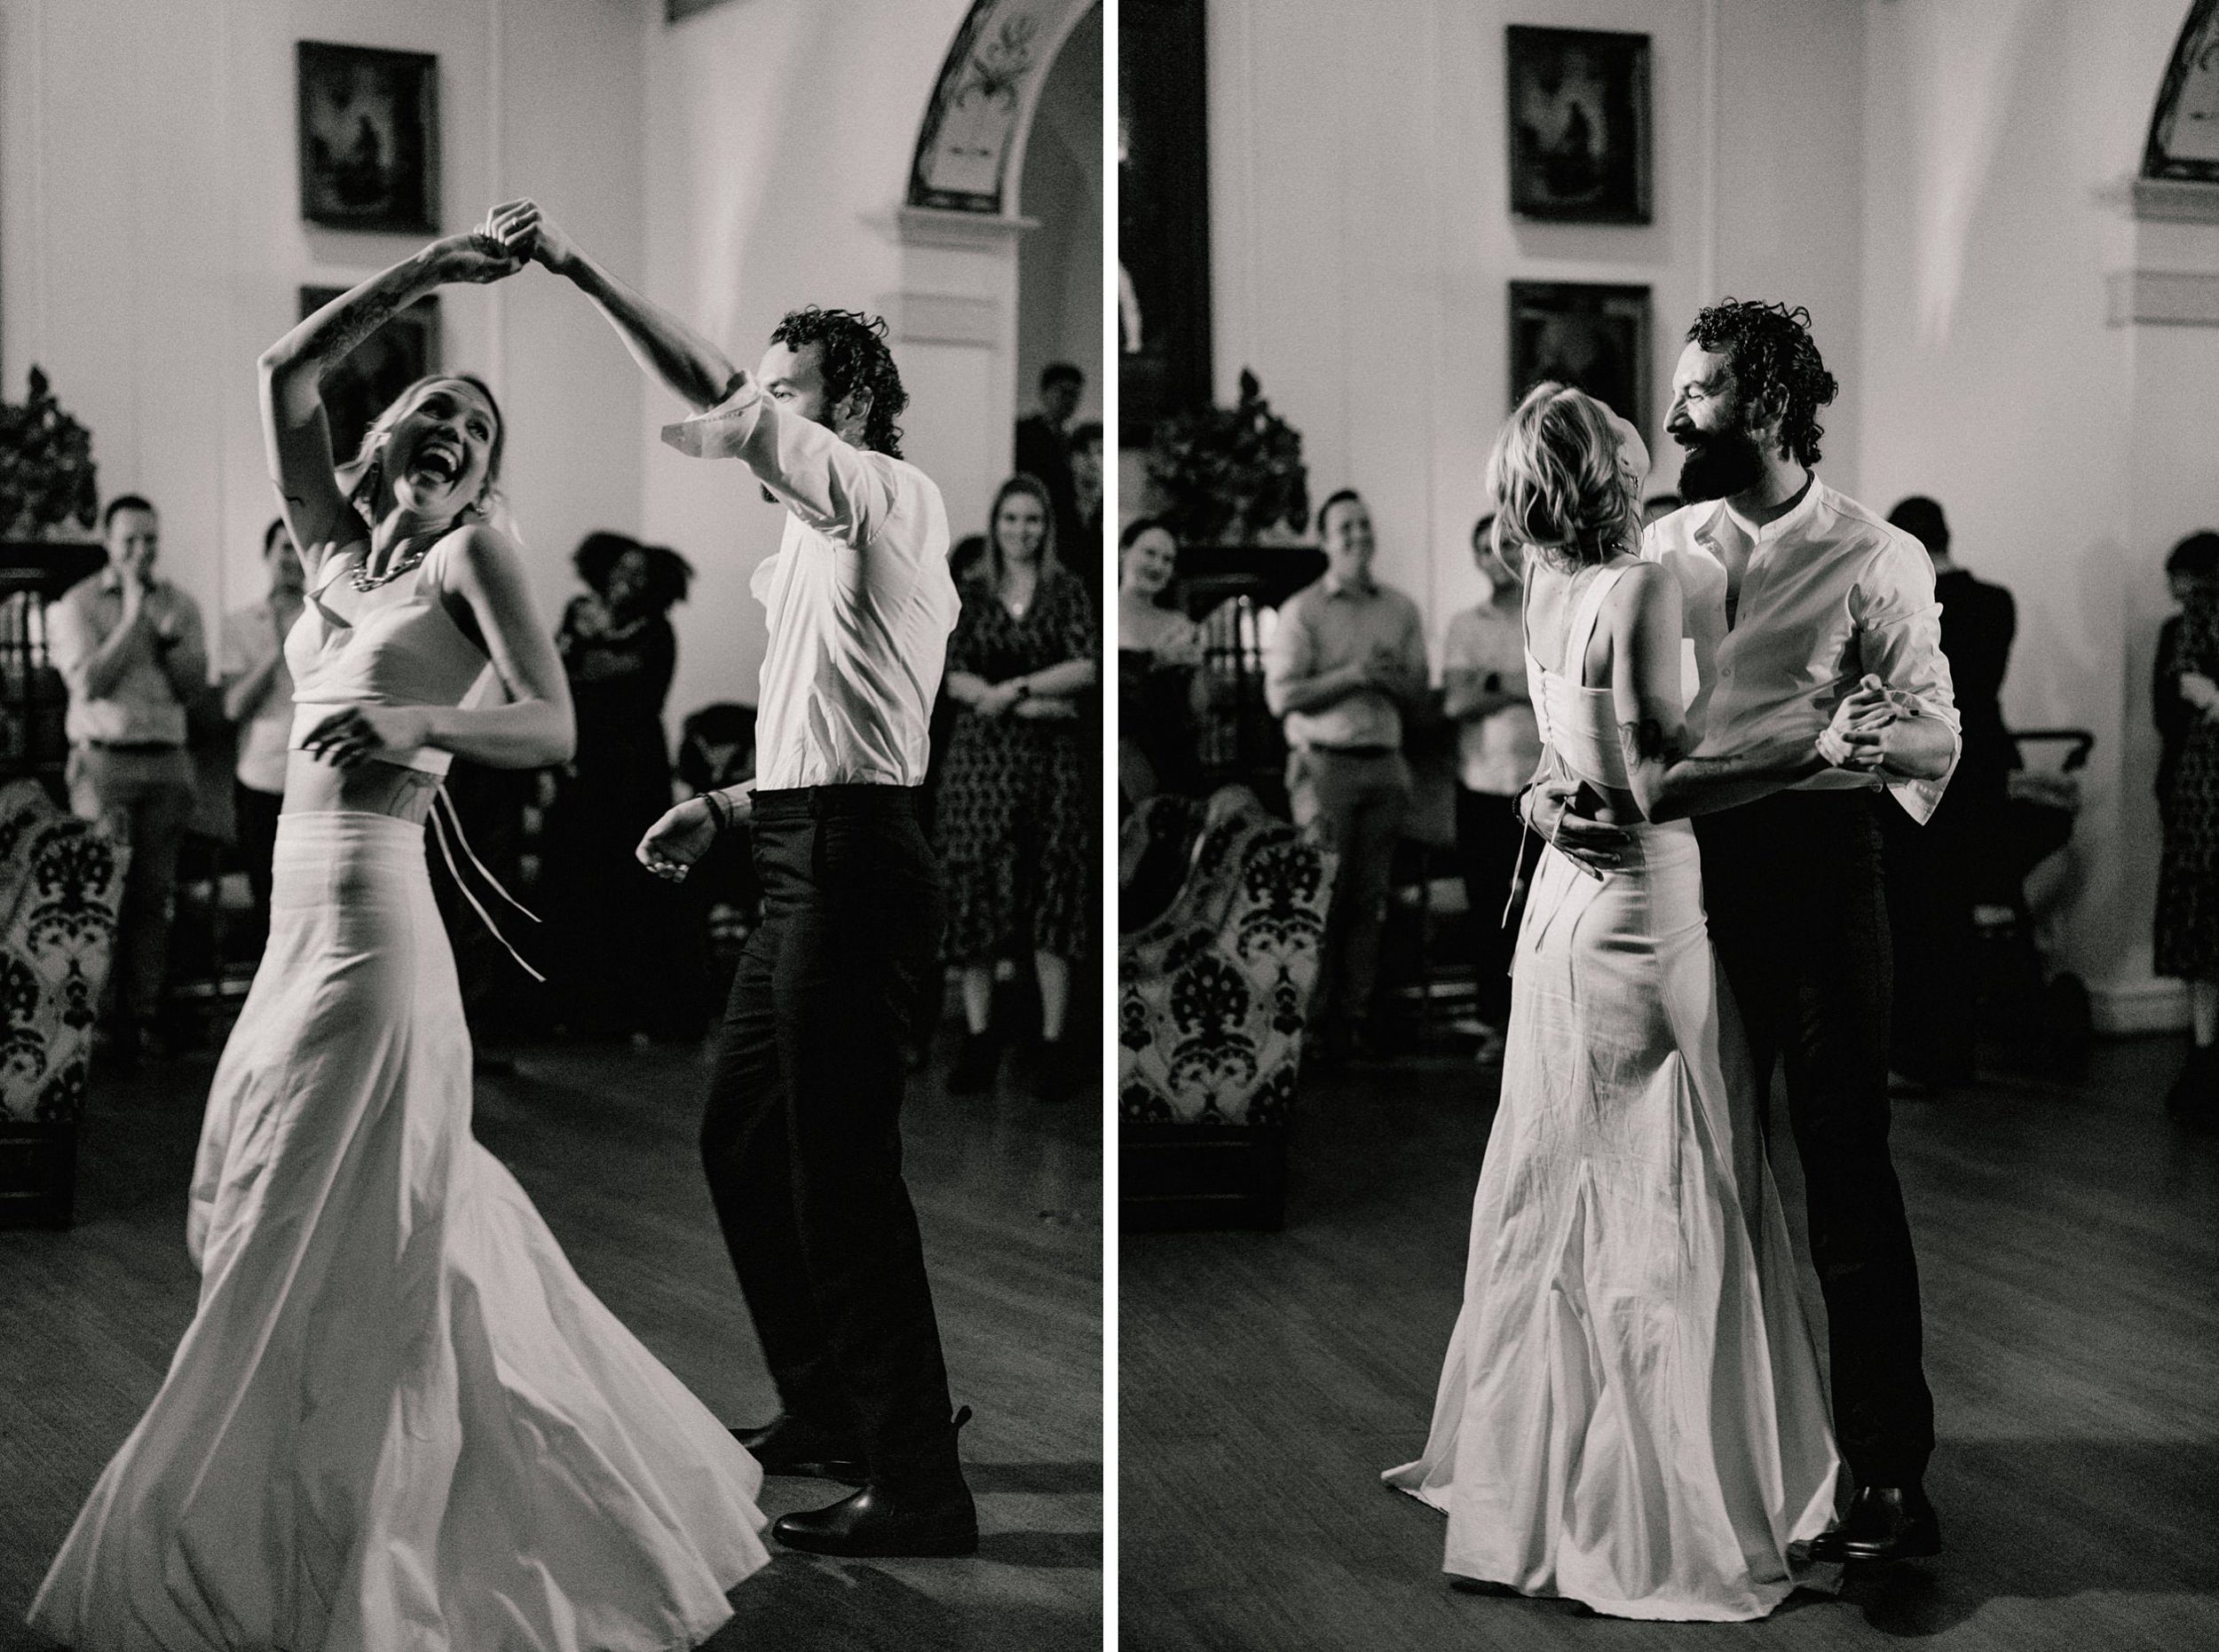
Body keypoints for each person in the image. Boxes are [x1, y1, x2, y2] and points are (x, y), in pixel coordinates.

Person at [31, 232, 770, 1650]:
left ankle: (315, 1532)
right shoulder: (330, 559)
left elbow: (549, 721)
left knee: (323, 1231)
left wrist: (423, 721)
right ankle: (341, 1493)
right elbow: (281, 366)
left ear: (484, 479)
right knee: (301, 1214)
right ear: (383, 438)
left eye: (478, 431)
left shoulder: (471, 555)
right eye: (436, 411)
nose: (453, 432)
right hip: (292, 937)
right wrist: (433, 267)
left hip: (376, 932)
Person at [486, 197, 978, 1557]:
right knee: (743, 1132)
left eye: (789, 389)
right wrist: (723, 800)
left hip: (856, 867)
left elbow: (713, 388)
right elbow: (840, 729)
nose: (763, 409)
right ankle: (831, 1412)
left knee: (844, 1169)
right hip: (798, 846)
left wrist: (583, 266)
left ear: (854, 404)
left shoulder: (891, 497)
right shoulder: (806, 553)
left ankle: (920, 1484)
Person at [1386, 383, 1846, 1621]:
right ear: (1609, 473)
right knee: (1676, 1177)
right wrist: (1809, 742)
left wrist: (1548, 805)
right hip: (1644, 914)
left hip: (1554, 923)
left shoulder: (1542, 593)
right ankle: (1663, 1495)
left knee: (1561, 1177)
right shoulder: (1638, 591)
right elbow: (1653, 785)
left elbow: (1556, 773)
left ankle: (1533, 1474)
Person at [1565, 299, 1959, 1565]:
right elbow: (1611, 725)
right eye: (1679, 392)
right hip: (1684, 872)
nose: (1676, 413)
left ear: (1775, 408)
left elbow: (1939, 736)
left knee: (1845, 1161)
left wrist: (1861, 732)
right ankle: (1713, 1464)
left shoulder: (1878, 555)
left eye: (1702, 391)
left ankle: (1890, 1473)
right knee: (1694, 1173)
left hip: (1822, 874)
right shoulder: (1665, 547)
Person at [936, 472, 1101, 1101]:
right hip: (980, 765)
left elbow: (1085, 664)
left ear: (1046, 526)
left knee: (1050, 893)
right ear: (996, 523)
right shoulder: (971, 592)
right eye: (1011, 519)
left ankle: (1053, 1043)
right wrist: (1017, 697)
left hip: (1049, 766)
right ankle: (980, 1038)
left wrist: (1017, 691)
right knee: (977, 891)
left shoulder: (1068, 590)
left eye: (1033, 519)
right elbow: (951, 673)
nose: (1021, 531)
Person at [1262, 488, 1430, 1061]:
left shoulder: (1402, 610)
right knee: (1320, 903)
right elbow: (1281, 697)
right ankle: (1307, 1030)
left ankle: (1352, 1023)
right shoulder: (1302, 611)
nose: (1358, 534)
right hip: (1323, 769)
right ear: (1324, 540)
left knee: (1369, 903)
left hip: (1386, 769)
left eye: (1364, 523)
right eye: (1344, 527)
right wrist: (1355, 674)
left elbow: (1418, 694)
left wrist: (1386, 681)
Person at [47, 494, 209, 1062]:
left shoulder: (182, 605)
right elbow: (88, 682)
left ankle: (139, 1019)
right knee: (96, 899)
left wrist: (166, 643)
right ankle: (86, 1026)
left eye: (151, 541)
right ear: (108, 543)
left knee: (152, 897)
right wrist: (133, 618)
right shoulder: (77, 605)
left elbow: (194, 687)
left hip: (167, 763)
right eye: (131, 541)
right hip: (103, 764)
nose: (143, 552)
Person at [1883, 495, 2017, 1088]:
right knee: (1958, 909)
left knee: (1920, 909)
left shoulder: (1916, 603)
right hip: (1986, 765)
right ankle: (1956, 1050)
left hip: (1932, 760)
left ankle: (1924, 1054)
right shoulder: (1995, 602)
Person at [544, 530, 695, 1039]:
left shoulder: (658, 632)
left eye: (640, 576)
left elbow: (604, 676)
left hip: (633, 777)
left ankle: (632, 1011)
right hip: (580, 768)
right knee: (574, 886)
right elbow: (554, 678)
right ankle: (573, 1009)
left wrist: (587, 646)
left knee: (628, 890)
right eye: (622, 570)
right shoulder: (577, 611)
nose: (627, 582)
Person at [1439, 513, 1539, 1063]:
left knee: (1538, 910)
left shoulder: (1547, 608)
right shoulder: (1464, 625)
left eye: (1502, 542)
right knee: (1490, 910)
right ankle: (1496, 1026)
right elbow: (1456, 703)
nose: (1493, 553)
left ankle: (1538, 1024)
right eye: (1482, 548)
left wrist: (1491, 683)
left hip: (1542, 785)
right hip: (1480, 784)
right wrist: (1515, 684)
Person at [2155, 529, 2219, 1120]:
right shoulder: (2184, 630)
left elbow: (2171, 708)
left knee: (2200, 929)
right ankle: (2202, 1061)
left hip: (2199, 795)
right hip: (2195, 792)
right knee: (2202, 929)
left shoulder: (2189, 627)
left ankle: (2203, 1061)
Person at [218, 518, 304, 938]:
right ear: (267, 555)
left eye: (300, 548)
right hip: (260, 780)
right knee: (267, 902)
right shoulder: (239, 623)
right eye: (284, 548)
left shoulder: (335, 621)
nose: (293, 559)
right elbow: (233, 706)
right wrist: (278, 649)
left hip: (317, 781)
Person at [1117, 516, 1209, 809]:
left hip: (1175, 760)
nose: (1158, 566)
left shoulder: (1178, 624)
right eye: (1150, 553)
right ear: (1123, 551)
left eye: (1167, 560)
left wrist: (1199, 667)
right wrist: (1155, 660)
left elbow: (1198, 710)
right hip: (1119, 761)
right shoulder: (1100, 616)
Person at [2155, 531, 2219, 817]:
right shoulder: (2173, 631)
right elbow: (2164, 709)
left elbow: (2165, 707)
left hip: (2184, 765)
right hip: (2181, 766)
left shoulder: (2176, 633)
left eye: (2179, 576)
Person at [1015, 360, 1085, 554]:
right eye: (1063, 392)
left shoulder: (1073, 440)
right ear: (1045, 393)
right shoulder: (1024, 433)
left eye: (1075, 395)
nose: (1069, 401)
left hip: (1064, 527)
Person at [1069, 417, 1106, 605]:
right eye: (1084, 452)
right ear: (1071, 458)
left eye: (1101, 452)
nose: (1092, 461)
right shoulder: (1055, 509)